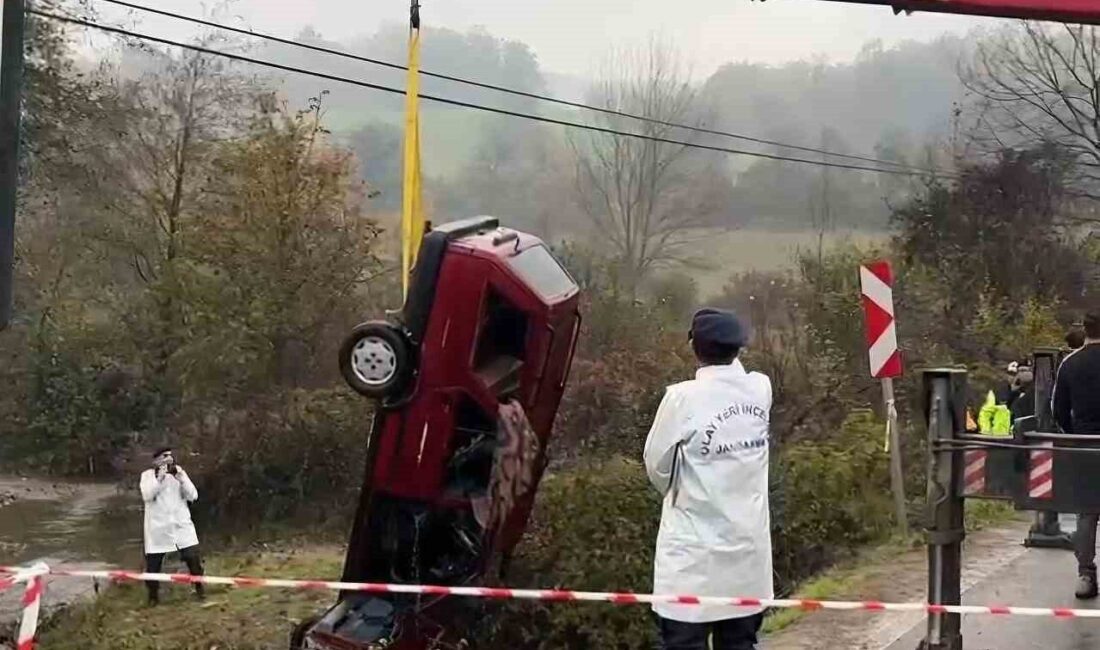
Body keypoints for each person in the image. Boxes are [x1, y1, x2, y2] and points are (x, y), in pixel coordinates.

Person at [643, 308, 772, 650]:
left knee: (684, 644)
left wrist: (679, 491)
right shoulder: (760, 388)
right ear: (739, 348)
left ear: (693, 347)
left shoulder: (682, 397)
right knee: (740, 643)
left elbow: (656, 465)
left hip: (692, 553)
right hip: (747, 551)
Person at [1052, 312, 1100, 599]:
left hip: (1085, 444)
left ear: (1085, 330)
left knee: (1087, 512)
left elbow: (1058, 410)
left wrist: (1074, 433)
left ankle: (1086, 574)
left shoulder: (1070, 364)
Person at [140, 446, 204, 605]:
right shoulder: (147, 476)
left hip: (181, 527)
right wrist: (159, 479)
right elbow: (147, 495)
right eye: (164, 456)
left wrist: (181, 477)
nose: (168, 459)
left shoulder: (179, 473)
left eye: (170, 455)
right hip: (158, 529)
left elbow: (193, 495)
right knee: (153, 566)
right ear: (156, 460)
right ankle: (153, 597)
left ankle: (199, 589)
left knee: (192, 559)